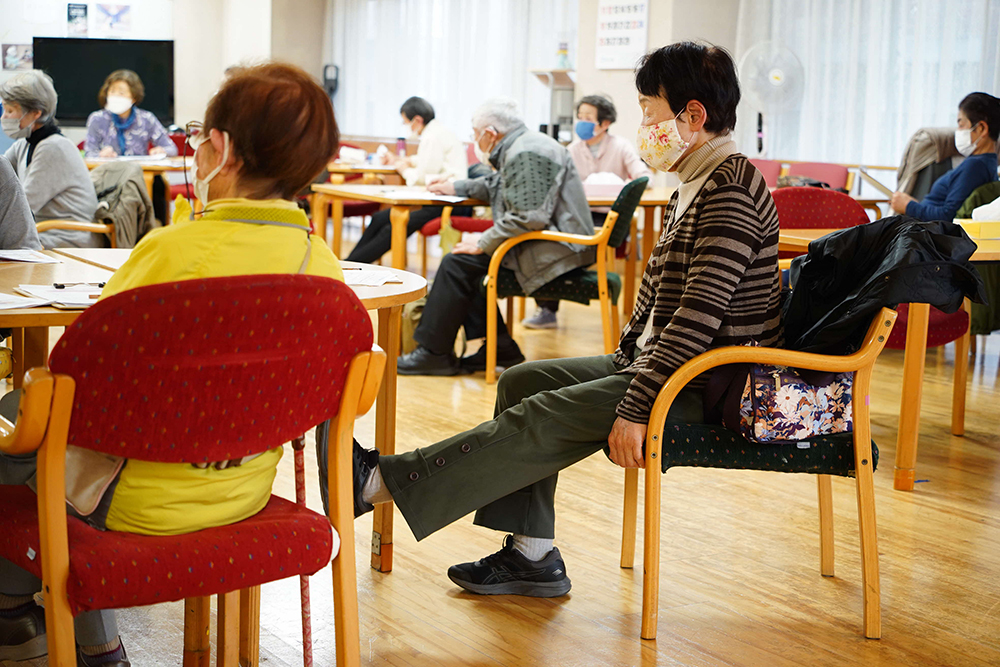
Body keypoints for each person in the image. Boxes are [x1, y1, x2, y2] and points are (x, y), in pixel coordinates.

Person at [349, 42, 781, 596]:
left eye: (650, 113)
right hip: (664, 364)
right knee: (522, 379)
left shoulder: (730, 192)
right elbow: (660, 305)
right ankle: (532, 556)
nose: (645, 126)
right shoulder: (694, 180)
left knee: (545, 412)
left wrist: (636, 401)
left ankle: (380, 482)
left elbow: (696, 321)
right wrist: (629, 359)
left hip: (705, 380)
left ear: (692, 116)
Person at [0, 62, 343, 667]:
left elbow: (74, 388)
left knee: (16, 417)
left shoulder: (168, 253)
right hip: (242, 491)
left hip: (130, 500)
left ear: (223, 147)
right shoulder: (323, 266)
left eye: (197, 136)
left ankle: (19, 615)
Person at [395, 97, 596, 376]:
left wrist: (482, 241)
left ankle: (433, 353)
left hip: (559, 252)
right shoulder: (523, 145)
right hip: (548, 244)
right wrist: (454, 186)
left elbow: (528, 216)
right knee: (467, 267)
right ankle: (501, 349)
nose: (473, 139)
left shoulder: (527, 153)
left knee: (458, 264)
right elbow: (498, 184)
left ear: (490, 133)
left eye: (475, 134)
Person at [524, 94, 653, 330]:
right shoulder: (572, 149)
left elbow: (644, 177)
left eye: (588, 118)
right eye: (579, 117)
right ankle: (547, 309)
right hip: (578, 216)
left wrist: (616, 186)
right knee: (545, 244)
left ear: (605, 123)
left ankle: (552, 302)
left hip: (609, 218)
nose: (582, 122)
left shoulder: (620, 146)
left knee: (559, 250)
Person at [346, 96, 468, 263]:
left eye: (405, 122)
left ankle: (352, 264)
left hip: (447, 202)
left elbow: (421, 177)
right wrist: (405, 161)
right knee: (379, 218)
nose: (406, 127)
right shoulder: (438, 132)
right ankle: (349, 263)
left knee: (394, 225)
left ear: (417, 120)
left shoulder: (432, 137)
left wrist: (403, 169)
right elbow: (428, 161)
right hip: (440, 198)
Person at [1, 70, 101, 248]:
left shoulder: (53, 148)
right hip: (44, 231)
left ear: (35, 113)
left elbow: (21, 208)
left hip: (67, 237)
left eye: (10, 110)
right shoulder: (25, 144)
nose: (3, 118)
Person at [890, 92, 999, 221]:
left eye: (961, 124)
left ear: (981, 128)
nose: (958, 131)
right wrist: (916, 204)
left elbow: (948, 216)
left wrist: (908, 206)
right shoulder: (988, 163)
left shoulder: (975, 166)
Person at [83, 70, 178, 158]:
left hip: (139, 173)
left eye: (121, 93)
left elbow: (172, 149)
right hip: (107, 172)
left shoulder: (146, 119)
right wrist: (101, 155)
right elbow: (88, 152)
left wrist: (161, 151)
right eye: (112, 92)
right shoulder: (97, 119)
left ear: (134, 97)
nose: (115, 97)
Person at [0, 156, 42, 249]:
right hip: (38, 227)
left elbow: (29, 201)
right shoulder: (21, 146)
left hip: (59, 233)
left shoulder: (52, 147)